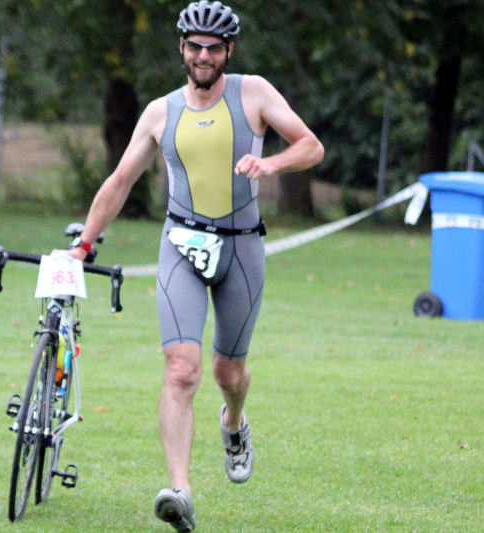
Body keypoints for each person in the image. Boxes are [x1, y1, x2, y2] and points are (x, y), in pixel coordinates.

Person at [64, 2, 324, 531]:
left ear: (228, 51)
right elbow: (119, 182)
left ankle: (233, 422)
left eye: (214, 48)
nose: (203, 56)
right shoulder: (160, 113)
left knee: (229, 373)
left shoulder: (253, 92)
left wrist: (268, 163)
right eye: (194, 46)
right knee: (181, 368)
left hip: (242, 249)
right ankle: (179, 491)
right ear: (181, 49)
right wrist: (84, 246)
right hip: (180, 245)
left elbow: (311, 146)